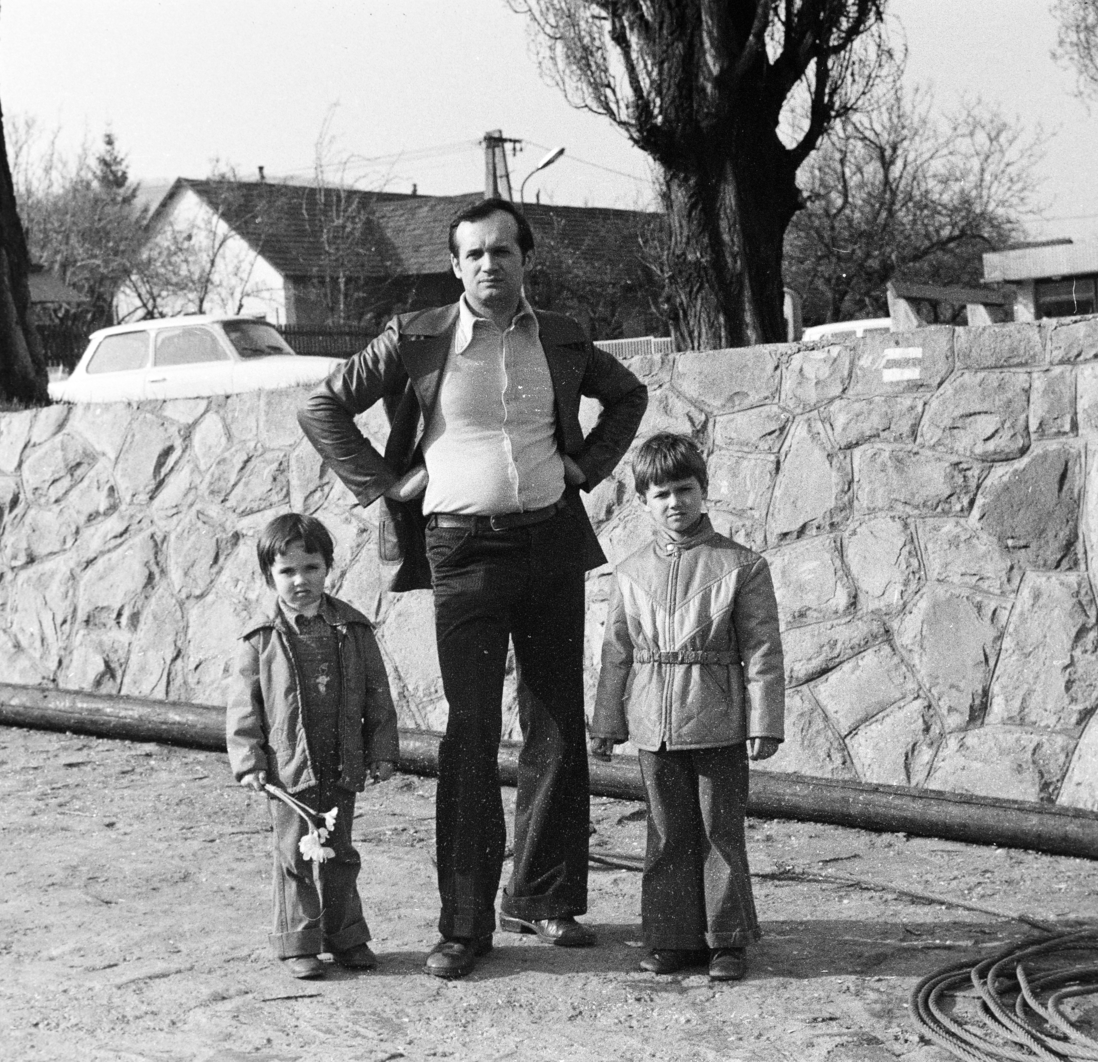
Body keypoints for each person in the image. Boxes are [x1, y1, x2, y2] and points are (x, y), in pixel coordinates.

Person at [299, 197, 648, 979]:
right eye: (475, 255)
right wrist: (387, 485)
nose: (491, 265)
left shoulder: (558, 335)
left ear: (526, 261)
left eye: (504, 252)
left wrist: (586, 466)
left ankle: (542, 899)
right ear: (456, 267)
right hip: (462, 550)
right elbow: (321, 404)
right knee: (471, 731)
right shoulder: (419, 336)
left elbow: (628, 397)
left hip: (551, 540)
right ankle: (463, 921)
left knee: (557, 719)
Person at [589, 433, 785, 983]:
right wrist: (607, 724)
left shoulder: (742, 566)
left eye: (684, 489)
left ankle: (726, 941)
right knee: (666, 831)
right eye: (660, 494)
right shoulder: (630, 572)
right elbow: (616, 654)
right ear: (643, 502)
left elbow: (764, 650)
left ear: (703, 490)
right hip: (654, 725)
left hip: (717, 719)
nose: (675, 503)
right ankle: (671, 938)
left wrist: (764, 722)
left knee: (720, 831)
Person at [226, 513, 400, 980]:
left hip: (340, 760)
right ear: (269, 577)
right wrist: (249, 761)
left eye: (311, 568)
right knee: (295, 854)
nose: (300, 580)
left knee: (339, 852)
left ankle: (346, 936)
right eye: (286, 571)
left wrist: (382, 749)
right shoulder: (261, 640)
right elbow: (244, 706)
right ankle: (297, 942)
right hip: (288, 769)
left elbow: (377, 693)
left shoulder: (353, 629)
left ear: (328, 568)